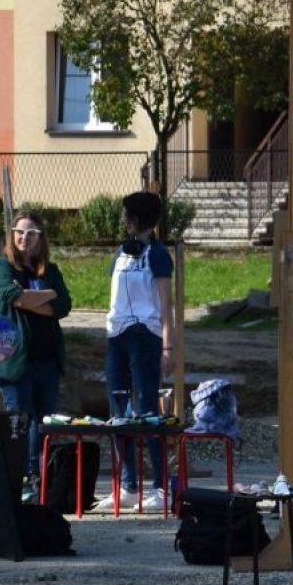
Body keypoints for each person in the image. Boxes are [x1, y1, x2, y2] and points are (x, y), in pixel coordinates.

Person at [96, 191, 175, 512]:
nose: (124, 220)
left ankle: (161, 487)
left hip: (146, 335)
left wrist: (168, 346)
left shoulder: (157, 254)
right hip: (117, 335)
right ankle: (127, 485)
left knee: (146, 411)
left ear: (140, 218)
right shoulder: (121, 252)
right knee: (118, 412)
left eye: (128, 214)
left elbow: (166, 305)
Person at [0, 211, 74, 501]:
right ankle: (22, 480)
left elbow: (63, 306)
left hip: (46, 360)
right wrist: (48, 295)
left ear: (40, 238)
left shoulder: (51, 270)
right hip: (13, 359)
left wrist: (36, 297)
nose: (24, 238)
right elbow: (15, 298)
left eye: (31, 233)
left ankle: (38, 479)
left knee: (44, 422)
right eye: (19, 232)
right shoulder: (3, 266)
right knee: (20, 423)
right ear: (11, 235)